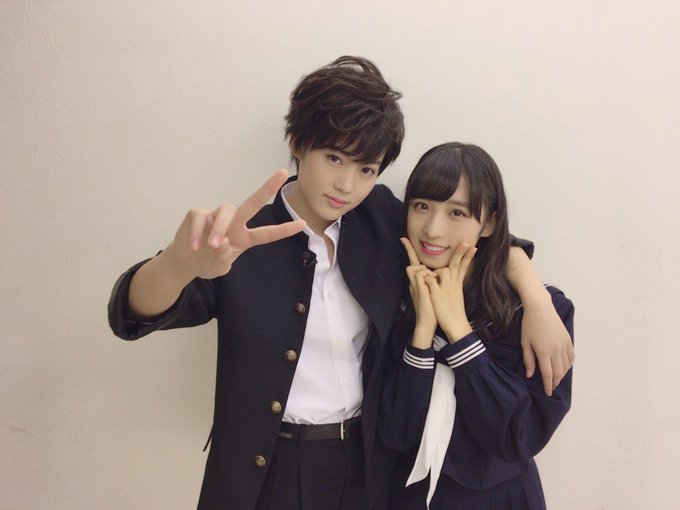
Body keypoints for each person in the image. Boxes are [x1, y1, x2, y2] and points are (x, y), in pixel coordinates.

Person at [108, 58, 573, 510]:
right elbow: (131, 314)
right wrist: (177, 264)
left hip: (365, 468)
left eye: (366, 169)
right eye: (333, 158)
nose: (347, 186)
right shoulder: (240, 241)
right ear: (297, 143)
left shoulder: (381, 219)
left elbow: (463, 235)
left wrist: (536, 298)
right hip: (265, 468)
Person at [379, 142, 575, 510]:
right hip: (408, 497)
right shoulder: (394, 297)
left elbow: (518, 437)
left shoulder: (537, 313)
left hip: (501, 500)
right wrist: (422, 334)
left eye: (457, 212)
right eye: (421, 206)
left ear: (489, 223)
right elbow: (395, 433)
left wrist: (460, 335)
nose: (433, 229)